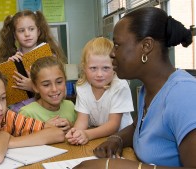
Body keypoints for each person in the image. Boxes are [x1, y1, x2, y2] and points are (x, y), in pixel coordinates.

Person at [74, 7, 196, 169]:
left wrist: (112, 165)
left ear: (146, 46)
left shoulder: (184, 94)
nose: (111, 54)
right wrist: (115, 139)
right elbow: (138, 129)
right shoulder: (149, 89)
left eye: (117, 45)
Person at [65, 37, 134, 145]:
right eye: (93, 68)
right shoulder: (82, 87)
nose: (99, 74)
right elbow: (82, 120)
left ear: (114, 67)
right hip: (98, 137)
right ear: (84, 68)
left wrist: (87, 134)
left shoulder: (120, 86)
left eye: (106, 68)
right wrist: (76, 133)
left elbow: (113, 125)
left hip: (122, 139)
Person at [0, 10, 66, 112]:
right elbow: (5, 94)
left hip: (45, 112)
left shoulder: (50, 58)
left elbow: (62, 92)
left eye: (31, 29)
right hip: (20, 112)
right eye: (21, 30)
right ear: (14, 35)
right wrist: (9, 67)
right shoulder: (11, 59)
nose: (27, 34)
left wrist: (33, 87)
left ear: (38, 31)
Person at [19, 56, 77, 133]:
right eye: (46, 85)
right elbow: (21, 141)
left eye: (59, 82)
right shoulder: (27, 113)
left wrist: (71, 127)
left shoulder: (70, 106)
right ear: (35, 87)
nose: (54, 89)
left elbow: (80, 131)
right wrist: (42, 128)